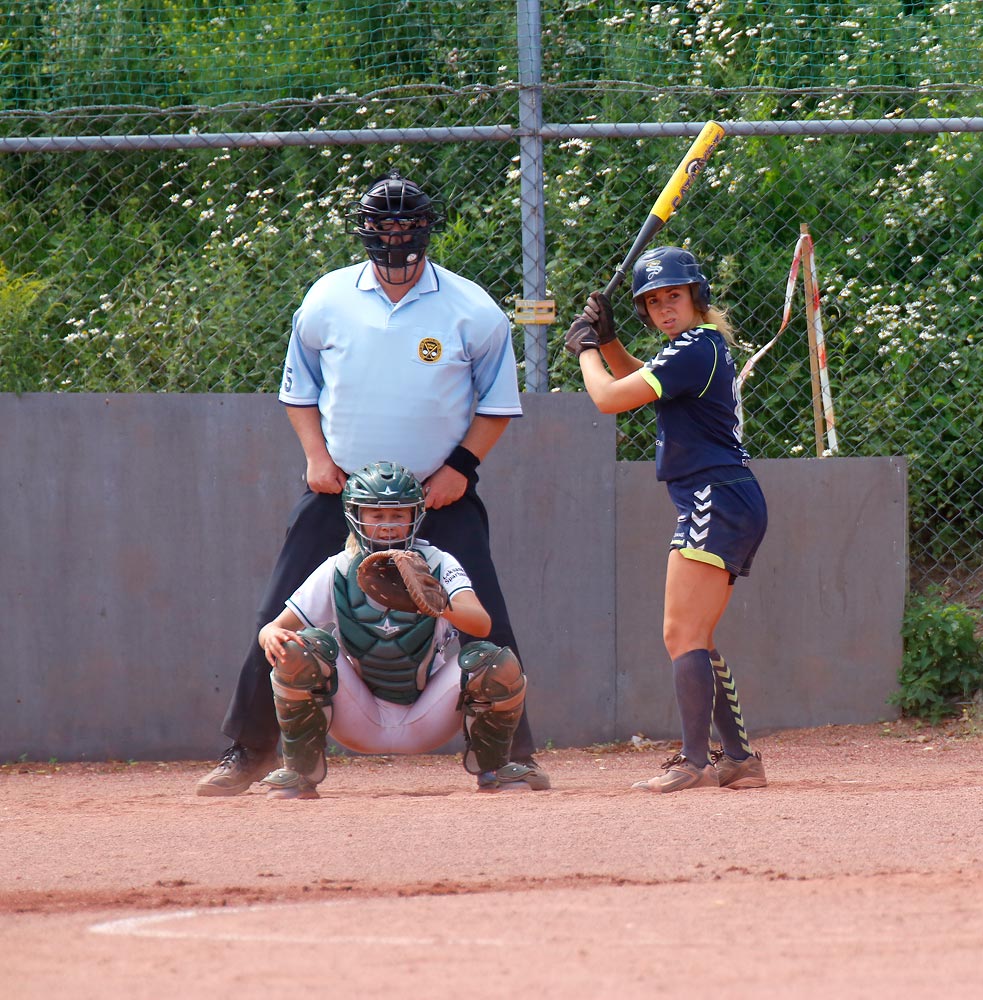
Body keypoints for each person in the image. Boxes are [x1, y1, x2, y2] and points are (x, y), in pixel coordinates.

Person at [197, 171, 547, 795]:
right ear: (367, 236)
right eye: (384, 232)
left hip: (437, 494)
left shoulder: (472, 309)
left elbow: (496, 404)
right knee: (279, 610)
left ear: (425, 235)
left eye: (407, 232)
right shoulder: (328, 299)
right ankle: (248, 750)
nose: (396, 247)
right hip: (342, 492)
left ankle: (508, 755)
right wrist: (315, 456)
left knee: (483, 615)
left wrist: (459, 469)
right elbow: (299, 391)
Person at [564, 246, 769, 793]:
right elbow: (641, 381)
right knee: (694, 634)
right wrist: (607, 342)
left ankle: (695, 762)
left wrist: (585, 351)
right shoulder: (693, 350)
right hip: (722, 495)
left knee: (682, 634)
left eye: (673, 295)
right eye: (652, 301)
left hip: (714, 496)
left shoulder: (694, 349)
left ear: (696, 297)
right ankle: (740, 761)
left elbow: (609, 397)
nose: (663, 308)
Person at [260, 461, 534, 797]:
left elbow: (482, 622)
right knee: (299, 648)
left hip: (427, 715)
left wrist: (437, 604)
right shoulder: (338, 568)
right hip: (358, 715)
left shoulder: (437, 562)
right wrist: (270, 635)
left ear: (415, 516)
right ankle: (299, 772)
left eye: (398, 515)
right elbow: (274, 627)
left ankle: (494, 768)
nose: (388, 526)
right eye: (377, 516)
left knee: (493, 661)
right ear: (354, 514)